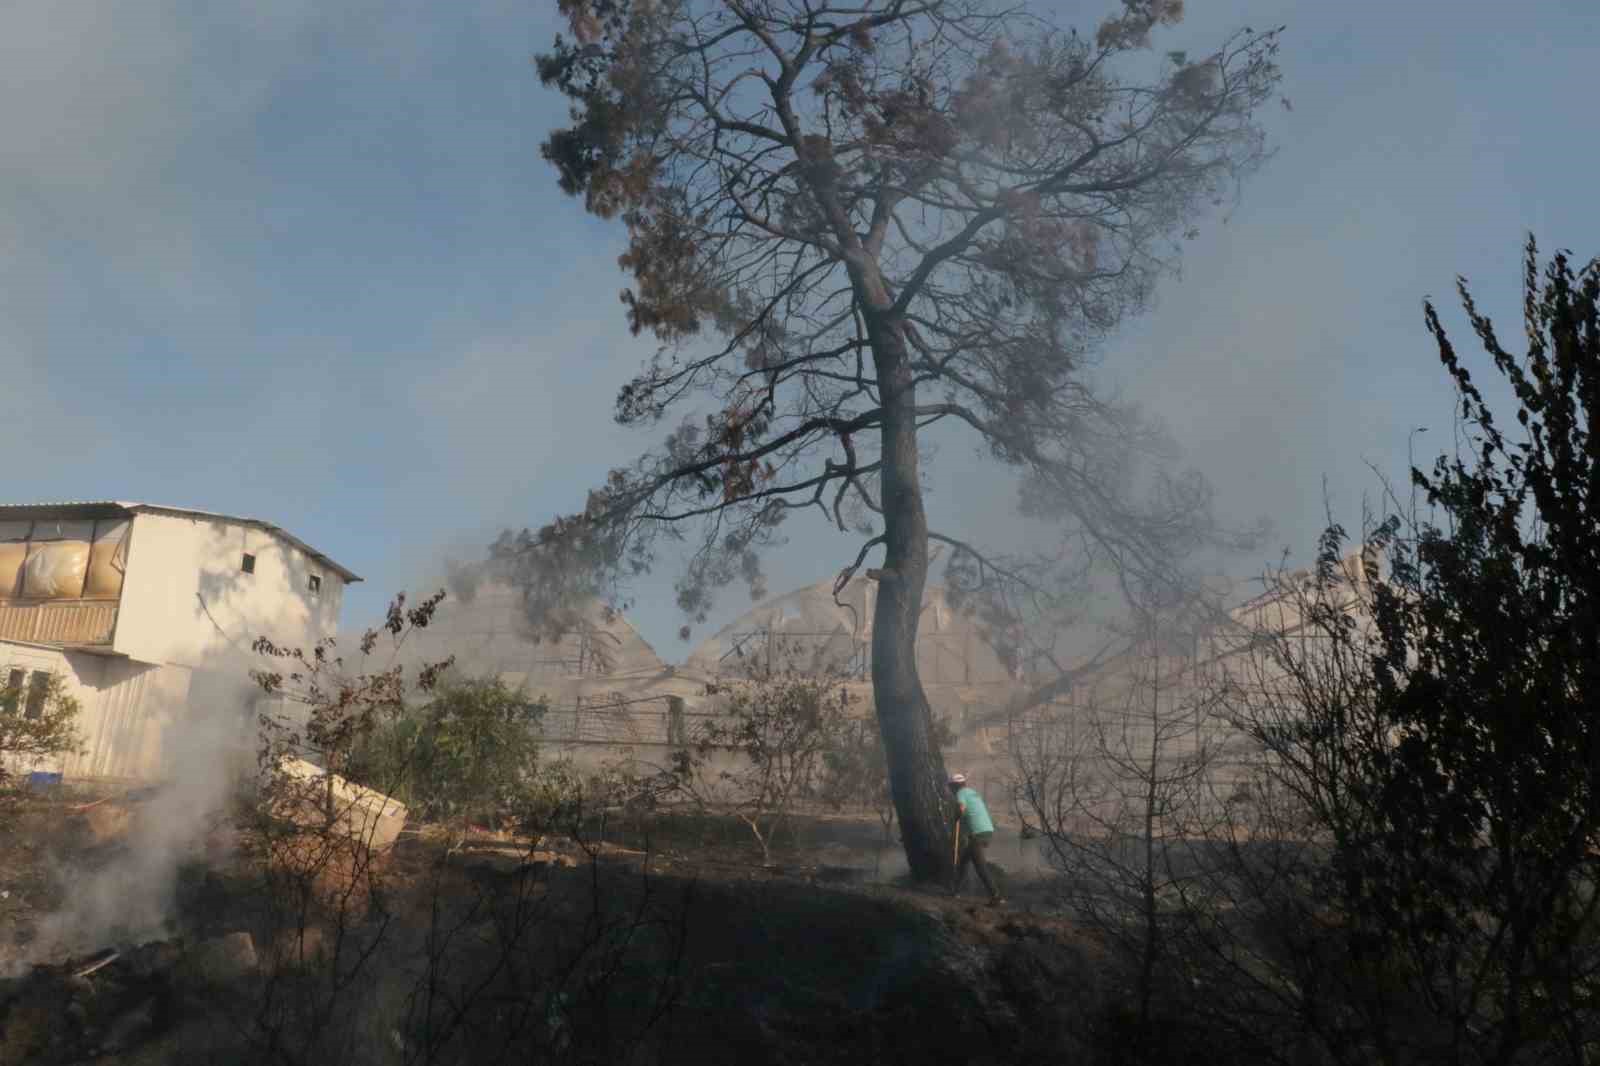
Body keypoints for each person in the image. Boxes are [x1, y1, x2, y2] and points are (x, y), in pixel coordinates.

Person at [948, 773, 1003, 904]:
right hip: (987, 830)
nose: (950, 789)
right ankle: (955, 891)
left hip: (978, 833)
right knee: (963, 861)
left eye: (950, 786)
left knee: (980, 866)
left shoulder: (960, 793)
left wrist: (956, 816)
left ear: (954, 786)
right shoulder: (972, 792)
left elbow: (961, 808)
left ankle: (996, 896)